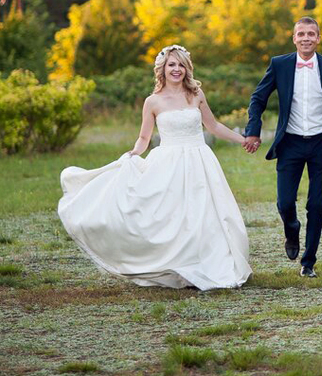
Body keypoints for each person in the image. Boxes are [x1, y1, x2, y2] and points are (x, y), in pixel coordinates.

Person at [58, 45, 252, 290]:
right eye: (172, 64)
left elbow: (213, 126)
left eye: (181, 65)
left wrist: (243, 139)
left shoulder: (196, 95)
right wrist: (133, 153)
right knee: (172, 217)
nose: (177, 69)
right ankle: (176, 264)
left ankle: (207, 263)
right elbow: (144, 137)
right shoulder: (153, 101)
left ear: (187, 68)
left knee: (204, 215)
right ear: (163, 68)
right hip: (169, 163)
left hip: (199, 161)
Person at [243, 17, 322, 278]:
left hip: (321, 143)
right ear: (294, 38)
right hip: (290, 143)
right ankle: (292, 229)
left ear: (318, 38)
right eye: (301, 34)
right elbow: (258, 98)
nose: (306, 38)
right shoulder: (280, 64)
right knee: (285, 202)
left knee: (317, 205)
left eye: (311, 34)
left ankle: (308, 263)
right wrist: (253, 130)